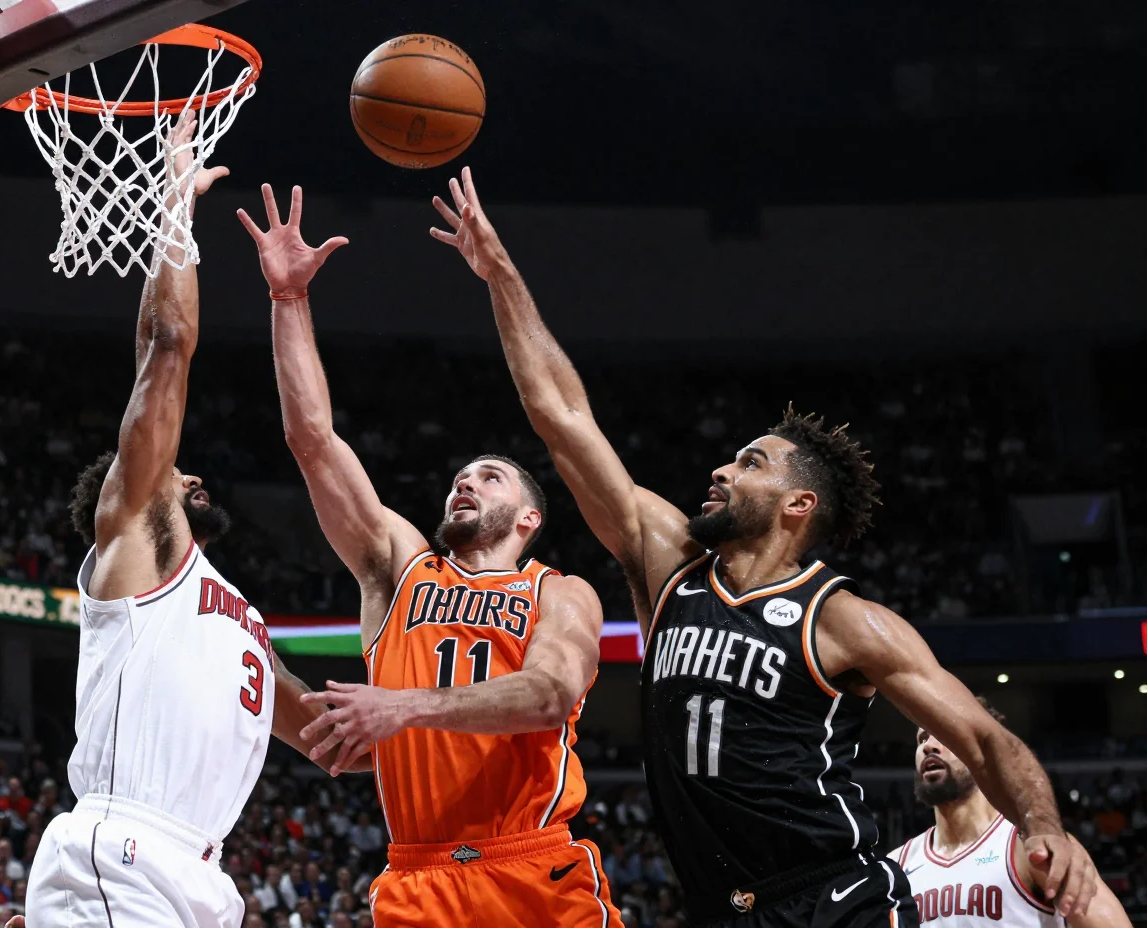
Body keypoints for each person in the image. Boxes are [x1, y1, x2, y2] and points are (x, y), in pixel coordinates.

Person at [426, 166, 1104, 926]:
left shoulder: (843, 620)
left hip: (835, 901)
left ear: (797, 504)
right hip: (723, 910)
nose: (721, 469)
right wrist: (501, 274)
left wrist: (1044, 827)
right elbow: (562, 414)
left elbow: (982, 737)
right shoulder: (670, 564)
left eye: (750, 463)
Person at [238, 183, 619, 928]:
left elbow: (549, 694)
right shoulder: (401, 568)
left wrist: (403, 707)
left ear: (530, 517)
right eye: (461, 476)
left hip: (530, 867)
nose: (466, 482)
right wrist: (288, 299)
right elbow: (313, 442)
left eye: (491, 476)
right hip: (417, 879)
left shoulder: (559, 591)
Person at [24, 115, 359, 928]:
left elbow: (327, 740)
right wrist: (176, 199)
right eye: (177, 470)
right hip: (124, 849)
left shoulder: (235, 612)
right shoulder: (138, 541)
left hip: (204, 875)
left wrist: (439, 716)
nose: (193, 472)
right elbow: (166, 344)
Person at [890, 698, 1129, 928]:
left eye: (945, 735)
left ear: (984, 751)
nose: (929, 746)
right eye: (922, 738)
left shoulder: (1031, 846)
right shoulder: (896, 867)